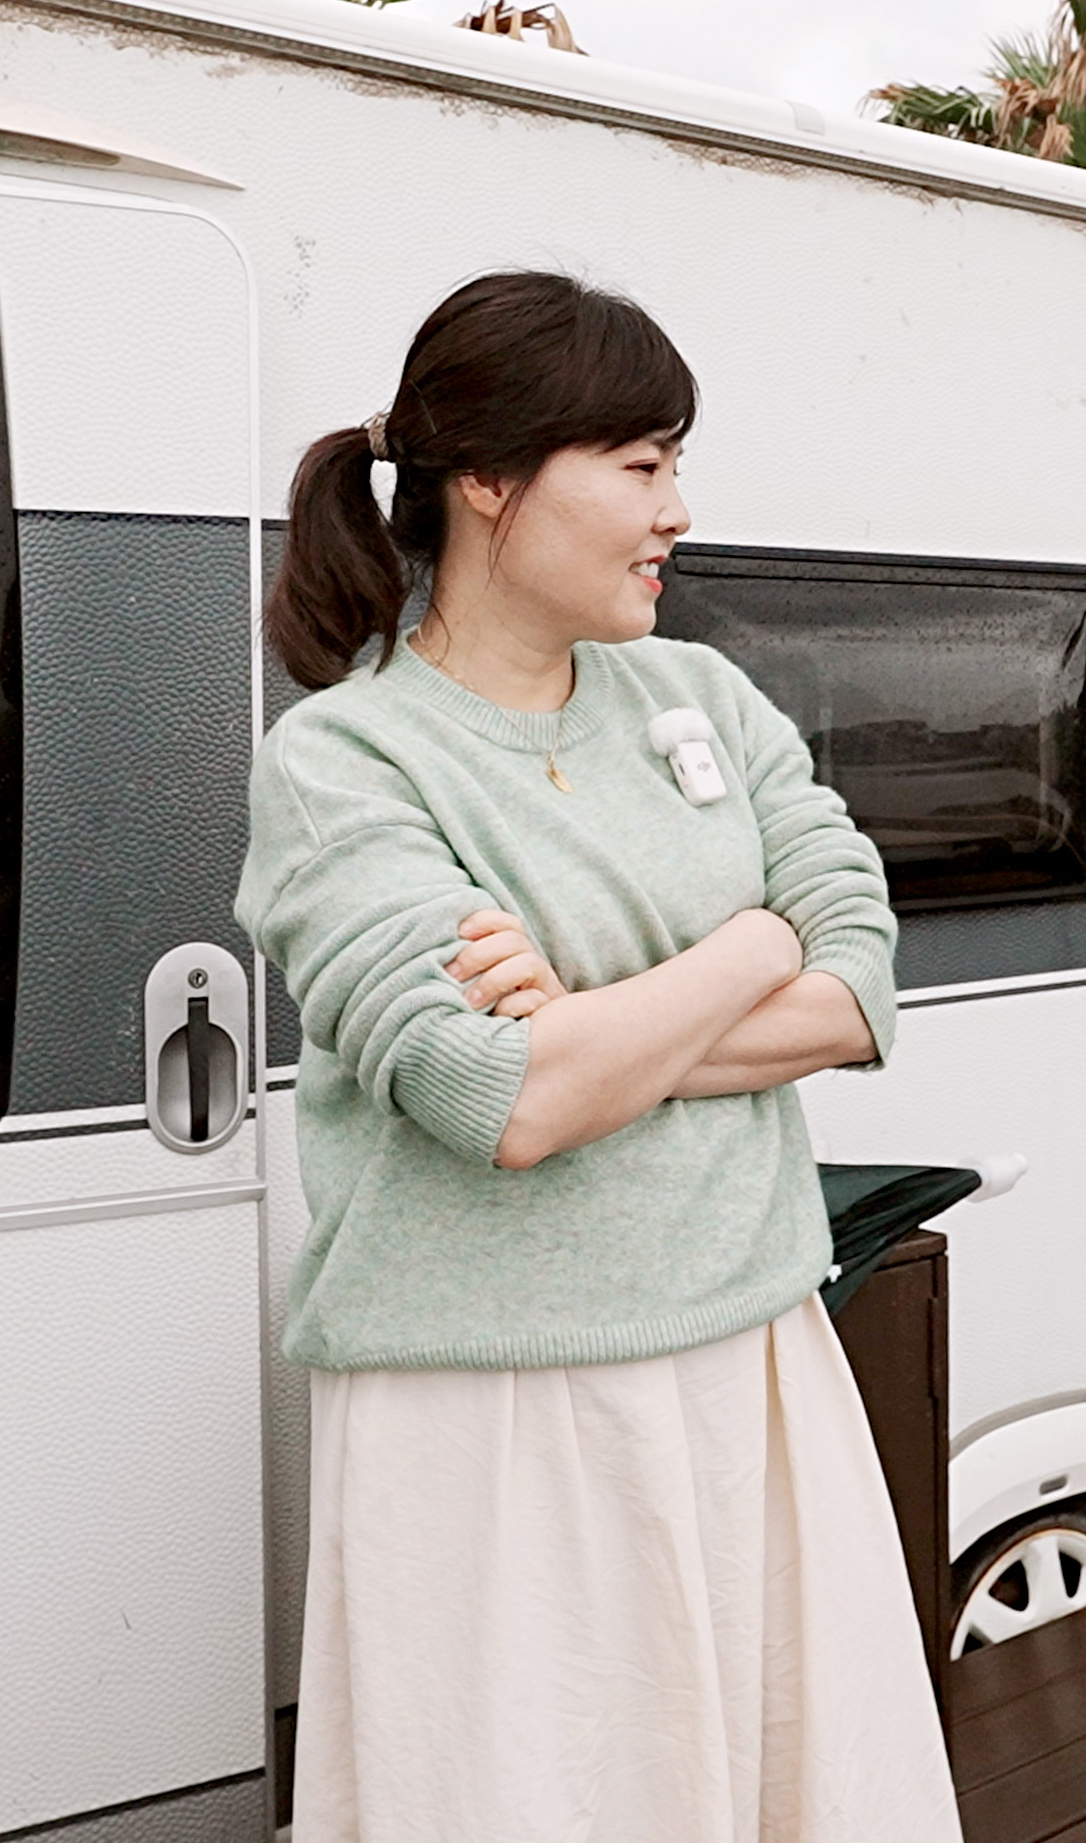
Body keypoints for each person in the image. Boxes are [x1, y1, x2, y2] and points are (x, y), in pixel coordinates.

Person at [240, 273, 964, 1841]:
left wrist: (593, 1018)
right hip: (493, 1413)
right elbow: (502, 1103)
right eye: (639, 466)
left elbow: (860, 987)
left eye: (674, 465)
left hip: (754, 1352)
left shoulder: (702, 696)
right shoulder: (345, 760)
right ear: (489, 481)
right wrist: (747, 945)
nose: (676, 511)